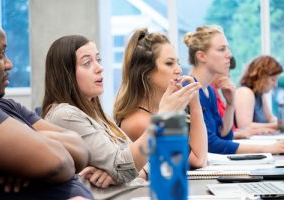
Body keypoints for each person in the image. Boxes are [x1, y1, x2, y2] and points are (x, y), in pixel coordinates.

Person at [41, 34, 198, 189]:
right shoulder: (65, 115)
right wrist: (163, 117)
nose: (99, 68)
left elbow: (131, 166)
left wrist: (121, 172)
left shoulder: (96, 114)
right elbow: (123, 167)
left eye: (98, 60)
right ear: (65, 73)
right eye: (87, 63)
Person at [0, 19, 92, 199]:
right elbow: (58, 164)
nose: (9, 64)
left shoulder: (7, 105)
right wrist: (34, 145)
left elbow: (82, 150)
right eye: (0, 54)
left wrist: (27, 141)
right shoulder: (64, 113)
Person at [184, 24, 284, 154]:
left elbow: (224, 136)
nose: (229, 54)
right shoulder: (189, 89)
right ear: (201, 56)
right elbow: (211, 144)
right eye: (221, 49)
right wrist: (266, 148)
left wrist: (230, 104)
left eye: (227, 49)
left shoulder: (210, 91)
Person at [113, 28, 207, 168]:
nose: (179, 70)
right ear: (146, 72)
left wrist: (194, 103)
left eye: (178, 63)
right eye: (169, 63)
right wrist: (195, 106)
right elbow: (198, 160)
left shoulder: (162, 110)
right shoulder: (138, 121)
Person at [210, 57, 275, 139]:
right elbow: (218, 135)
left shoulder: (214, 93)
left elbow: (223, 133)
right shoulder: (245, 92)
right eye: (273, 79)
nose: (229, 75)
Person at [235, 55, 282, 130]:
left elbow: (270, 118)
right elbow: (244, 126)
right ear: (261, 76)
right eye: (273, 79)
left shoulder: (260, 94)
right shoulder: (245, 92)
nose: (275, 85)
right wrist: (276, 125)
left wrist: (283, 123)